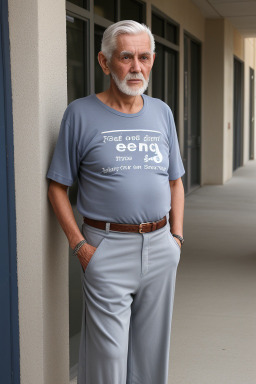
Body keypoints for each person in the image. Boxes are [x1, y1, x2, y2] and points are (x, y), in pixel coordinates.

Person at [47, 20, 185, 384]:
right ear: (105, 62)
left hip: (160, 246)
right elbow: (57, 187)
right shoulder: (80, 114)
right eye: (126, 57)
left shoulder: (162, 113)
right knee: (107, 361)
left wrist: (177, 239)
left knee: (152, 357)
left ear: (152, 60)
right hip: (105, 247)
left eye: (144, 57)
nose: (136, 67)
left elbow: (176, 181)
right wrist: (80, 246)